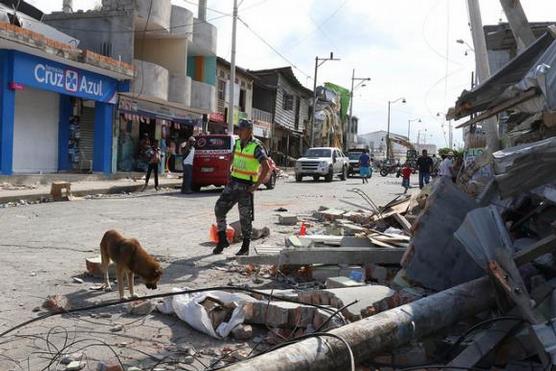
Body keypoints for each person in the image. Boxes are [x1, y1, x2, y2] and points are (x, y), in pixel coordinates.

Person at [213, 120, 271, 256]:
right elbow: (232, 156)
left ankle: (245, 247)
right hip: (233, 183)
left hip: (246, 187)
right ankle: (222, 239)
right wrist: (229, 171)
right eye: (238, 129)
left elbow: (266, 166)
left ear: (249, 131)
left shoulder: (256, 147)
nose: (239, 132)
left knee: (245, 218)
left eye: (241, 129)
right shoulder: (238, 143)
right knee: (219, 209)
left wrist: (256, 186)